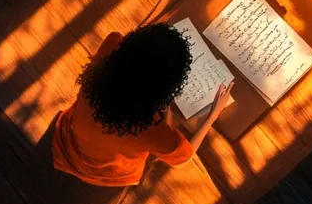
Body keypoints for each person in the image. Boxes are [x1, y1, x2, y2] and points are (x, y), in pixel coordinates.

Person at [51, 23, 233, 187]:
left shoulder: (110, 47)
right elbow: (183, 160)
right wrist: (212, 115)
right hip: (110, 174)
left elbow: (122, 41)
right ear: (162, 87)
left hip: (66, 138)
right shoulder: (147, 130)